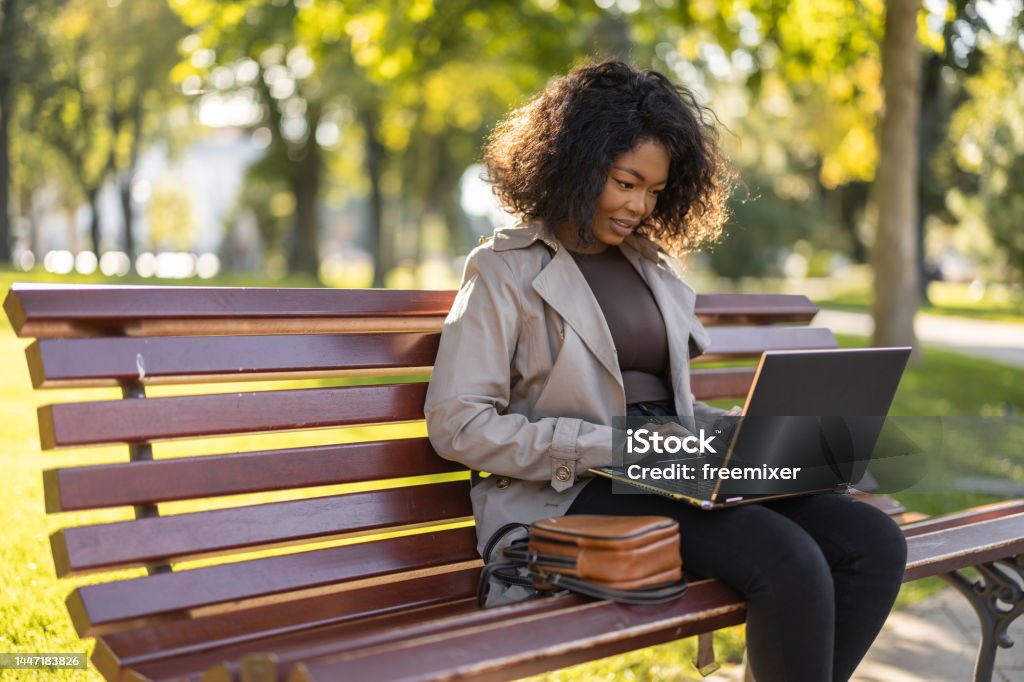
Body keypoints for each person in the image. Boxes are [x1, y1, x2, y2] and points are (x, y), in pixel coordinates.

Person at [424, 61, 906, 682]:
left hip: (674, 467)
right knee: (784, 556)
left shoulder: (651, 267)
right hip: (572, 487)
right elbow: (457, 423)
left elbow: (665, 410)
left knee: (871, 542)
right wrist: (614, 449)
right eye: (626, 182)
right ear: (577, 160)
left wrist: (749, 439)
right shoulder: (504, 271)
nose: (638, 205)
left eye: (654, 191)